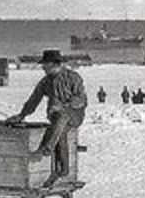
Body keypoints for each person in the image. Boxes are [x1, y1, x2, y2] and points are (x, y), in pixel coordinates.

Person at [6, 49, 88, 185]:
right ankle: (63, 171)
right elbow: (34, 100)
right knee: (60, 131)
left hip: (75, 115)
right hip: (56, 118)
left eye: (46, 65)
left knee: (63, 116)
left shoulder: (73, 77)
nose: (43, 68)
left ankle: (46, 149)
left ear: (56, 65)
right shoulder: (45, 82)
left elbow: (81, 100)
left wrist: (64, 105)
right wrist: (22, 115)